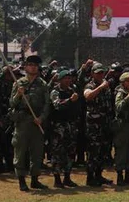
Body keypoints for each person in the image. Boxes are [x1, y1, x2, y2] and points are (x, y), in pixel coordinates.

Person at [10, 55, 50, 191]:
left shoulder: (43, 84)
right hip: (22, 122)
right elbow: (12, 103)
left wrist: (41, 118)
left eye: (35, 65)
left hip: (36, 121)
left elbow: (47, 105)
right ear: (25, 67)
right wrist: (18, 95)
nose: (33, 67)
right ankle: (21, 180)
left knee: (37, 152)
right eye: (30, 64)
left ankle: (34, 179)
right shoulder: (18, 83)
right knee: (20, 151)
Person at [83, 63, 115, 187]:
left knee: (103, 151)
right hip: (93, 126)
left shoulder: (106, 86)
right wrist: (101, 87)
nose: (100, 75)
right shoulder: (90, 85)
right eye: (97, 73)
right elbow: (88, 96)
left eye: (102, 73)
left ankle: (99, 175)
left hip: (105, 124)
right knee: (93, 152)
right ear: (92, 74)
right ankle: (90, 178)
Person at [48, 69, 80, 188]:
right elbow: (57, 105)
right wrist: (70, 100)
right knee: (57, 152)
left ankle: (67, 177)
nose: (68, 80)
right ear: (60, 80)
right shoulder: (55, 91)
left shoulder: (72, 91)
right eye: (65, 78)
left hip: (71, 125)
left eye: (69, 78)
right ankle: (57, 179)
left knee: (70, 152)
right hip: (58, 126)